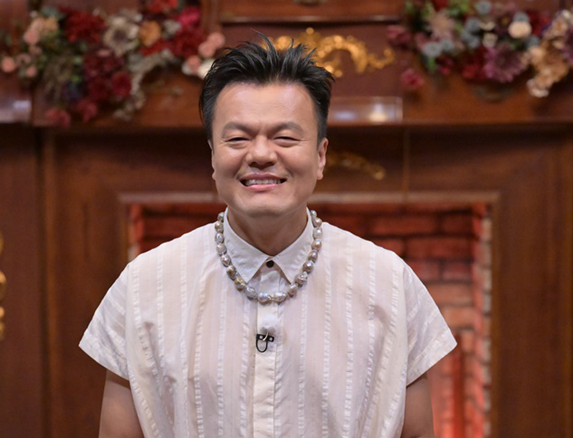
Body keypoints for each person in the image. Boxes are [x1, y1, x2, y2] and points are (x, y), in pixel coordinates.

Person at [80, 35, 456, 438]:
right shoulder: (144, 286)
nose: (260, 154)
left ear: (321, 155)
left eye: (285, 138)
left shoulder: (390, 284)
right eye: (237, 139)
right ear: (213, 156)